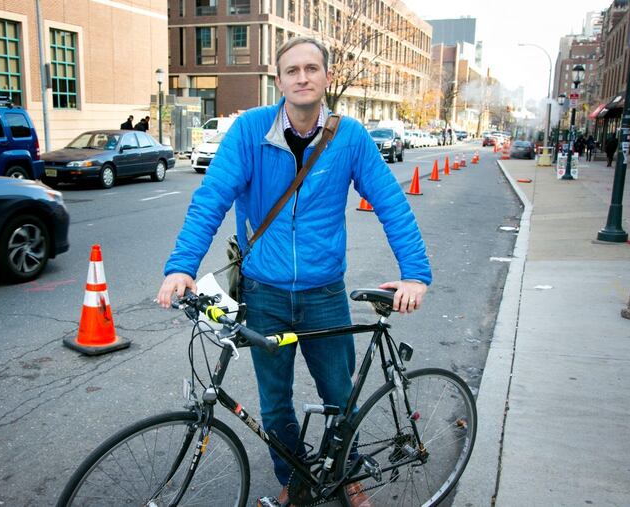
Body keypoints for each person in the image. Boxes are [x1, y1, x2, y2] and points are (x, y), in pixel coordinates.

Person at [157, 36, 431, 505]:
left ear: (326, 77)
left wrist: (416, 274)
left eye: (311, 68)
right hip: (265, 293)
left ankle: (348, 474)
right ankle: (294, 478)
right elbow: (210, 201)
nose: (302, 77)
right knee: (275, 400)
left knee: (339, 396)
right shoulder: (249, 131)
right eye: (292, 70)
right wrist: (182, 267)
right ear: (278, 79)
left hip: (324, 293)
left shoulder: (350, 137)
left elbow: (391, 204)